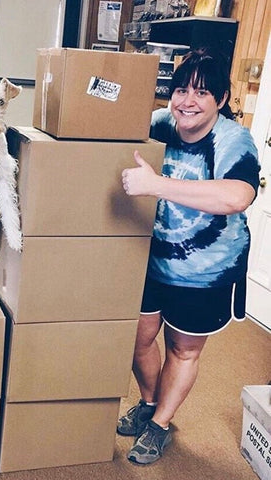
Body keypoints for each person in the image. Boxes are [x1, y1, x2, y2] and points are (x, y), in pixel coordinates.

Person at [118, 47, 260, 465]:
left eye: (201, 93)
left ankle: (160, 423)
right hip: (152, 259)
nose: (187, 102)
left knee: (183, 350)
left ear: (219, 99)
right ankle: (148, 401)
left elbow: (237, 196)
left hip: (207, 270)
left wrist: (156, 185)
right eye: (181, 90)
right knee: (137, 338)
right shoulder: (163, 124)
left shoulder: (234, 139)